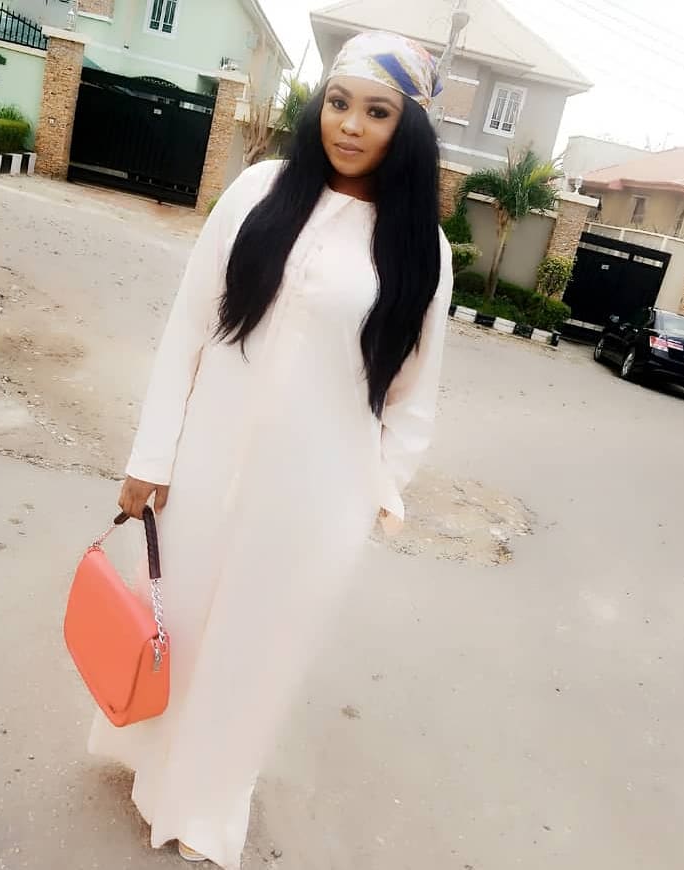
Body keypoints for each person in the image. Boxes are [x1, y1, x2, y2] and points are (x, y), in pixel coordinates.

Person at [88, 30, 454, 870]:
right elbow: (189, 326)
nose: (350, 125)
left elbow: (413, 400)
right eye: (338, 102)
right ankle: (150, 768)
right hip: (206, 465)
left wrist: (374, 495)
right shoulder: (259, 191)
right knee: (175, 624)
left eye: (377, 112)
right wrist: (153, 455)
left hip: (316, 500)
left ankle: (206, 805)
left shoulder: (420, 252)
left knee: (256, 659)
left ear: (407, 129)